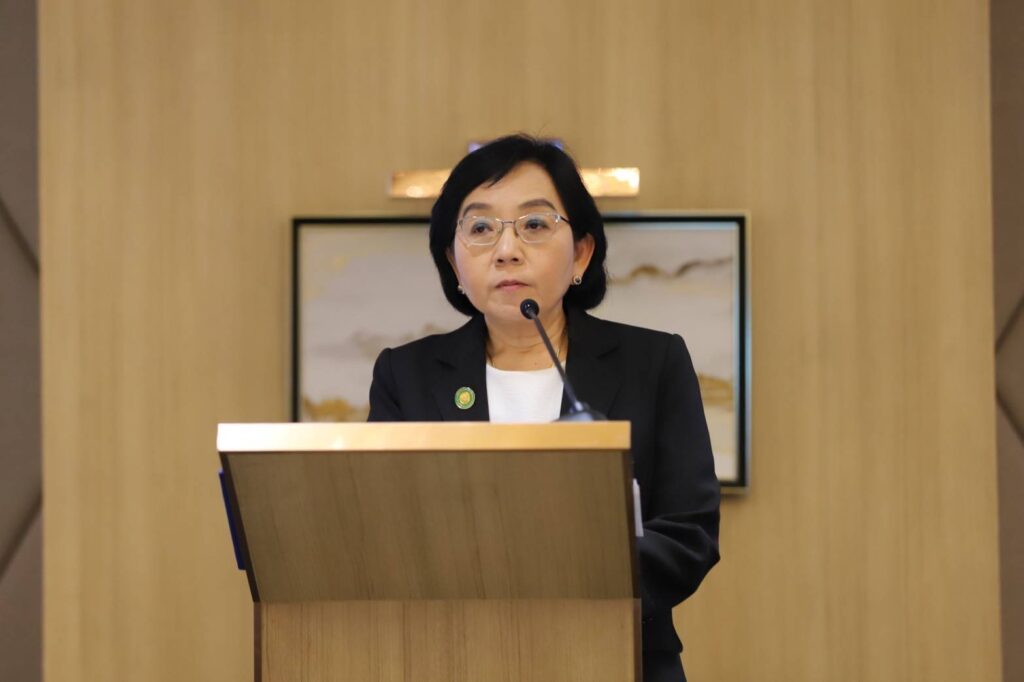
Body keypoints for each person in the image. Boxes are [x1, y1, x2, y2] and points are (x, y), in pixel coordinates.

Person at [367, 134, 720, 682]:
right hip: (454, 656)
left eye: (534, 224)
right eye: (480, 228)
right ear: (453, 262)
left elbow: (689, 532)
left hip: (620, 657)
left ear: (581, 253)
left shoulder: (653, 362)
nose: (507, 249)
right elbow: (383, 532)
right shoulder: (405, 374)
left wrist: (565, 571)